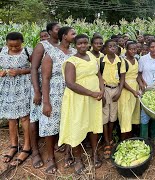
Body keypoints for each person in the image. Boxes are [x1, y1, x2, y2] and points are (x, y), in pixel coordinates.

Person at [58, 34, 104, 174]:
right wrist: (91, 93)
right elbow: (70, 84)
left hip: (94, 97)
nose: (83, 46)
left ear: (88, 44)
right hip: (78, 98)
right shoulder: (71, 61)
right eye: (80, 44)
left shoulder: (92, 57)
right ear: (75, 45)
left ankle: (94, 154)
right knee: (77, 126)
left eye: (85, 43)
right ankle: (78, 159)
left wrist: (101, 90)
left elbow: (99, 75)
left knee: (94, 125)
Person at [40, 26, 76, 174]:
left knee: (70, 122)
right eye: (72, 33)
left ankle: (68, 152)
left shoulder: (75, 52)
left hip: (72, 92)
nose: (75, 35)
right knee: (51, 124)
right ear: (64, 36)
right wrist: (46, 102)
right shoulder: (51, 53)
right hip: (54, 92)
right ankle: (50, 157)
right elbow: (45, 78)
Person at [30, 22, 61, 169]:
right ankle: (36, 152)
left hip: (58, 90)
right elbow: (34, 69)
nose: (60, 30)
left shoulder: (63, 46)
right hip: (42, 89)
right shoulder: (42, 46)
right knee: (37, 120)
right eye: (57, 29)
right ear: (49, 32)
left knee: (54, 119)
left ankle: (56, 147)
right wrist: (37, 91)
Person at [0, 32, 32, 166]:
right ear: (6, 44)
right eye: (11, 46)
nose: (13, 49)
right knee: (11, 118)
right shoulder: (1, 51)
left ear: (22, 43)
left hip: (23, 86)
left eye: (17, 46)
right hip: (7, 88)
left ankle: (27, 147)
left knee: (25, 117)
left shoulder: (27, 51)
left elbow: (36, 68)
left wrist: (20, 71)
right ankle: (14, 145)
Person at [100, 39, 125, 158]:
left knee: (113, 117)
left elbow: (122, 77)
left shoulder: (120, 61)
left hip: (115, 90)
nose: (112, 48)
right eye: (110, 46)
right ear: (105, 49)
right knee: (105, 117)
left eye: (114, 46)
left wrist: (119, 91)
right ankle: (106, 141)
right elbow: (99, 77)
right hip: (104, 89)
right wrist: (101, 93)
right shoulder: (101, 61)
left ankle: (110, 138)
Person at [118, 42, 140, 140]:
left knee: (132, 114)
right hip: (126, 90)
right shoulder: (123, 61)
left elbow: (137, 76)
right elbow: (122, 80)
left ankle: (129, 139)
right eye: (131, 49)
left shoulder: (136, 60)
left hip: (135, 89)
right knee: (125, 115)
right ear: (126, 49)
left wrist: (141, 85)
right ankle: (123, 141)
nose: (133, 51)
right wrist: (132, 91)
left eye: (135, 49)